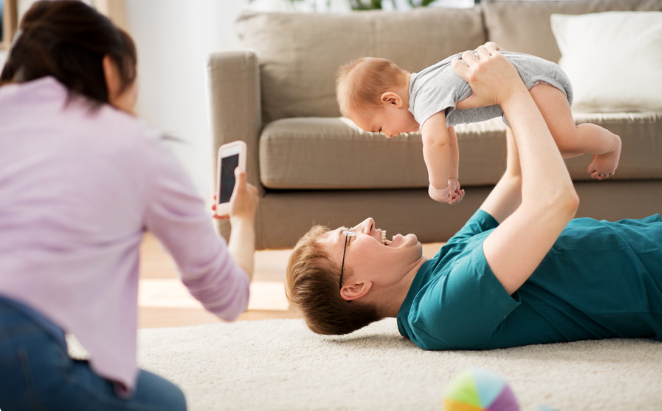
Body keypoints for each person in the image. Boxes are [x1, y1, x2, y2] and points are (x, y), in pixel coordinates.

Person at [287, 43, 662, 349]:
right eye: (349, 237)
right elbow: (554, 202)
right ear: (354, 288)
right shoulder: (437, 310)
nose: (365, 222)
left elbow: (515, 180)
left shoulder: (441, 263)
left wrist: (507, 92)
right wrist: (512, 92)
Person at [0, 2, 258, 410]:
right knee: (167, 404)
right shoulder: (133, 143)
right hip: (18, 351)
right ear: (108, 69)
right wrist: (243, 219)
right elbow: (228, 296)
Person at [336, 44, 622, 205]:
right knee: (547, 150)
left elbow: (435, 142)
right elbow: (447, 137)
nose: (387, 136)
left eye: (379, 128)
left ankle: (610, 145)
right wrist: (451, 177)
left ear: (392, 100)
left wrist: (436, 186)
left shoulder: (423, 96)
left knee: (565, 141)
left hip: (534, 82)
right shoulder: (428, 94)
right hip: (515, 94)